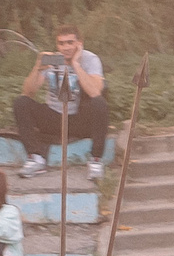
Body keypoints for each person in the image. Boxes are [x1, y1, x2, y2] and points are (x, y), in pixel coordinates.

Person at [12, 25, 109, 177]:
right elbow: (29, 92)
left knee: (100, 104)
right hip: (54, 117)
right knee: (21, 102)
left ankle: (96, 160)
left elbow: (96, 92)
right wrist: (38, 67)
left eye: (70, 42)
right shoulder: (53, 60)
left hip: (79, 119)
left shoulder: (90, 59)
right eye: (61, 43)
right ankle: (36, 158)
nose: (66, 47)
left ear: (79, 43)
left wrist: (76, 64)